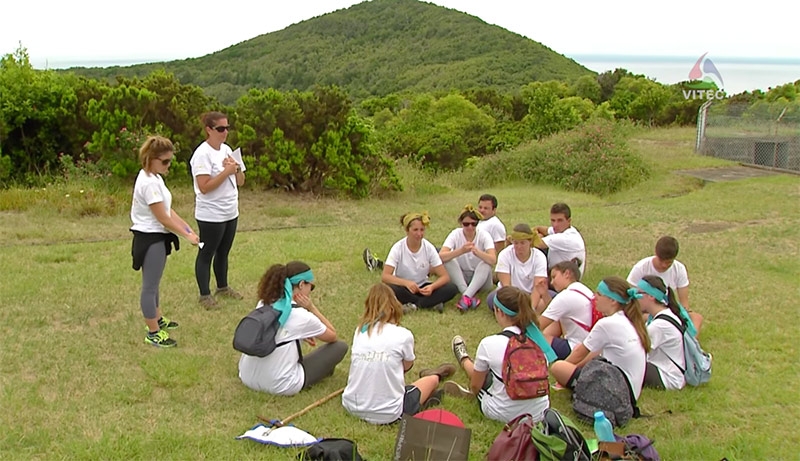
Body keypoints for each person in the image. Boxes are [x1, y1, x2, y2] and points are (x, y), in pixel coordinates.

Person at [342, 283, 456, 424]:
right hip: (389, 413)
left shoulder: (360, 331)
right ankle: (433, 378)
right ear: (393, 307)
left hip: (351, 406)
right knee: (432, 381)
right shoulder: (403, 335)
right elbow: (407, 366)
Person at [443, 286, 556, 423]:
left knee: (485, 377)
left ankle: (464, 358)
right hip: (540, 413)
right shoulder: (540, 342)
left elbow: (476, 386)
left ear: (499, 312)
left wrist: (475, 388)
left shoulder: (489, 343)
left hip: (503, 413)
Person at [130, 136, 200, 348]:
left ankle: (158, 318)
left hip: (157, 236)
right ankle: (153, 332)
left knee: (155, 282)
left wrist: (187, 228)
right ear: (151, 159)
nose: (169, 165)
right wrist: (186, 236)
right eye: (165, 161)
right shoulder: (149, 183)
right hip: (149, 238)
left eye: (170, 160)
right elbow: (163, 218)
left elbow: (168, 210)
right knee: (149, 287)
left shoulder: (155, 178)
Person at [238, 261, 348, 395]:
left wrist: (301, 335)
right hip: (280, 385)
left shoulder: (263, 303)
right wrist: (311, 308)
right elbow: (332, 336)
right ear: (301, 284)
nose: (311, 291)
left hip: (246, 376)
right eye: (311, 286)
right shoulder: (302, 316)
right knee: (339, 347)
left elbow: (278, 331)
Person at [550, 276, 650, 403]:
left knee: (558, 367)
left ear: (613, 301)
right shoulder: (629, 320)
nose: (594, 297)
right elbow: (593, 352)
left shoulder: (607, 324)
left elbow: (579, 353)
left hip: (617, 393)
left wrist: (563, 370)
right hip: (629, 392)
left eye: (599, 294)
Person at [190, 111, 246, 309]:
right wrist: (225, 172)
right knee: (206, 253)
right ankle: (204, 295)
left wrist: (236, 169)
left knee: (223, 252)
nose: (225, 132)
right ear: (209, 130)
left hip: (230, 211)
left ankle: (222, 287)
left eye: (227, 128)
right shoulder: (202, 154)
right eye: (220, 129)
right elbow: (204, 187)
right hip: (211, 214)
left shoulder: (227, 150)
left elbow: (241, 181)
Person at [381, 212, 459, 312]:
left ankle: (415, 305)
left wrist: (432, 287)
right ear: (407, 230)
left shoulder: (428, 247)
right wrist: (407, 283)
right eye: (415, 230)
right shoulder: (398, 248)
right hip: (404, 287)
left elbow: (445, 277)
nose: (419, 234)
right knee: (388, 289)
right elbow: (385, 276)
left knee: (452, 288)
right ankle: (430, 303)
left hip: (423, 287)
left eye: (422, 230)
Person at [627, 236, 703, 334]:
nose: (664, 265)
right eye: (661, 261)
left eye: (668, 263)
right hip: (646, 312)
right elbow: (630, 299)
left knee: (696, 318)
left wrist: (683, 316)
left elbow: (684, 303)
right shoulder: (641, 268)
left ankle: (688, 340)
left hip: (668, 310)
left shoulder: (679, 269)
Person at [440, 205, 497, 311]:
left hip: (482, 280)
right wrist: (461, 251)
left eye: (473, 224)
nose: (470, 227)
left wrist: (478, 252)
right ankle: (468, 295)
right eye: (466, 224)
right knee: (449, 260)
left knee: (485, 264)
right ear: (461, 223)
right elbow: (441, 256)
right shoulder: (455, 234)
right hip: (461, 277)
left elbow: (493, 259)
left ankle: (466, 296)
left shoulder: (484, 235)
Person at [638, 275, 686, 390]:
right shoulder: (664, 314)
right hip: (667, 371)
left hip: (668, 377)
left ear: (651, 296)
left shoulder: (659, 325)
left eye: (639, 293)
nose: (635, 298)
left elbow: (637, 348)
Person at [539, 261, 594, 360]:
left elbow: (537, 325)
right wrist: (544, 294)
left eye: (554, 277)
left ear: (567, 274)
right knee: (557, 320)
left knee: (534, 339)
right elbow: (554, 314)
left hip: (575, 348)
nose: (552, 282)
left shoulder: (565, 296)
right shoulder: (584, 290)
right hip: (591, 347)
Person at [494, 223, 549, 312]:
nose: (519, 247)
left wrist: (531, 309)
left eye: (522, 243)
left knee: (550, 297)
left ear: (530, 241)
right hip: (512, 295)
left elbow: (538, 287)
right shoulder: (504, 254)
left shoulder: (539, 257)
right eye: (516, 243)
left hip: (530, 293)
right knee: (493, 299)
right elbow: (506, 285)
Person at [534, 203, 587, 277]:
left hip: (566, 278)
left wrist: (534, 234)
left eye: (560, 220)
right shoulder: (563, 230)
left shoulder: (567, 238)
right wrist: (536, 232)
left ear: (569, 221)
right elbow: (541, 229)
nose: (555, 225)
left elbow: (537, 243)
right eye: (553, 220)